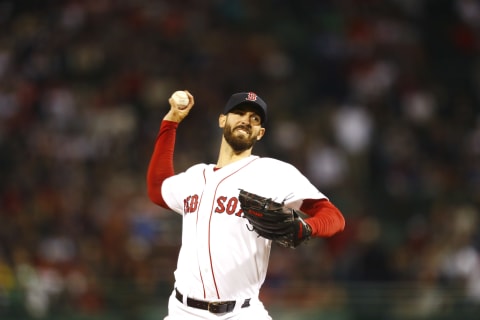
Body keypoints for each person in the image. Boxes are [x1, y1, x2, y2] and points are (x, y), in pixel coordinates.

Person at [146, 90, 345, 319]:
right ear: (222, 120)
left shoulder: (273, 172)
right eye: (239, 113)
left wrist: (307, 228)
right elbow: (157, 189)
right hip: (183, 311)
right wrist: (171, 121)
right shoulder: (194, 176)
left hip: (242, 311)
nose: (246, 120)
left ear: (260, 133)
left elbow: (334, 216)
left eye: (255, 119)